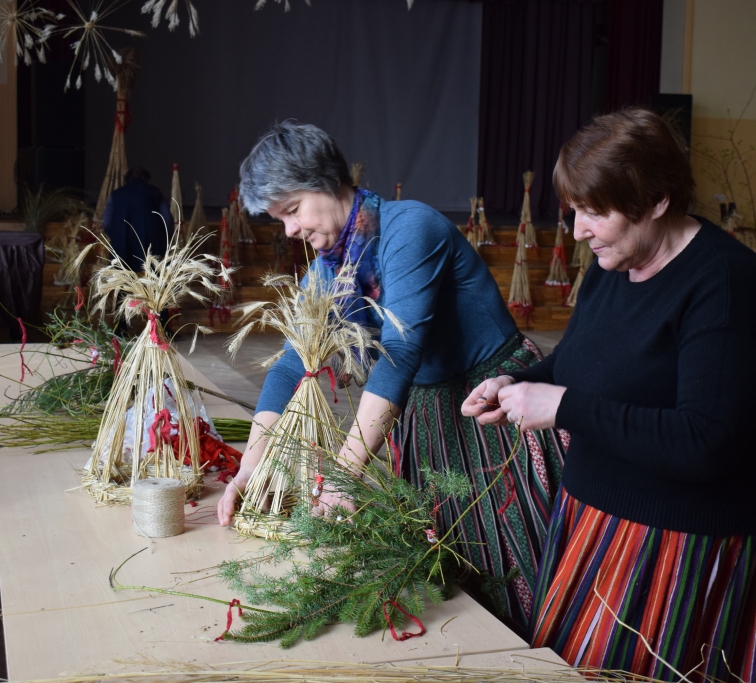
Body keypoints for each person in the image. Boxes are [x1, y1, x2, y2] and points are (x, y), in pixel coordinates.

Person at [462, 109, 756, 681]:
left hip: (681, 540)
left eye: (595, 212)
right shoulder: (617, 262)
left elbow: (705, 442)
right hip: (593, 512)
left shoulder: (728, 285)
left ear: (657, 199)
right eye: (576, 210)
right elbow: (585, 362)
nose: (579, 230)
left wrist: (561, 406)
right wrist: (521, 384)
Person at [217, 121, 567, 634]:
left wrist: (344, 473)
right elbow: (294, 364)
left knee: (515, 553)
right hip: (424, 415)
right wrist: (251, 468)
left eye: (291, 211)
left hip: (493, 407)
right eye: (280, 219)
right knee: (449, 570)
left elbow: (401, 352)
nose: (289, 230)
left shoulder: (410, 228)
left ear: (325, 181)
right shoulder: (330, 267)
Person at [101, 167, 173, 269]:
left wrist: (117, 237)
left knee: (123, 279)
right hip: (152, 245)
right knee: (152, 279)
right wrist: (166, 241)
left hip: (122, 245)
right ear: (146, 178)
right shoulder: (155, 192)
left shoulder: (116, 194)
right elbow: (167, 220)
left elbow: (107, 223)